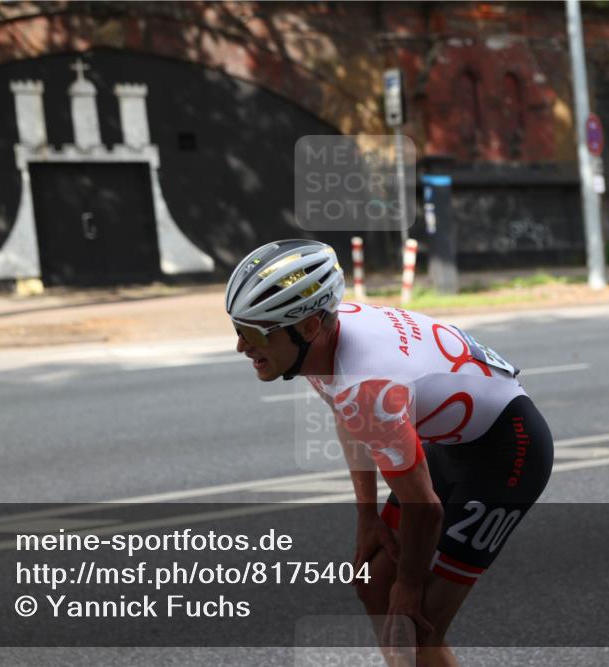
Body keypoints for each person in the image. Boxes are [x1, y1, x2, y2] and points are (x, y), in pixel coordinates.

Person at [226, 239, 553, 666]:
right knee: (373, 582)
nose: (241, 347)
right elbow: (347, 417)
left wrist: (410, 584)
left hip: (508, 452)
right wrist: (366, 516)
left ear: (308, 327)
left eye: (253, 333)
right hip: (453, 441)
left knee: (414, 628)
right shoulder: (318, 339)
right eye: (238, 328)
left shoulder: (367, 383)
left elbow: (426, 509)